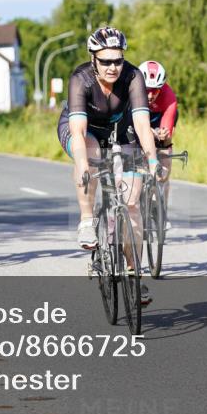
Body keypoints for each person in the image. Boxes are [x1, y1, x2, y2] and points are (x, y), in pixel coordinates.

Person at [56, 27, 159, 305]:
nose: (113, 67)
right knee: (89, 153)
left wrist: (151, 160)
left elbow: (141, 124)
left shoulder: (133, 76)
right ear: (93, 60)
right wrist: (82, 166)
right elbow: (77, 132)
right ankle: (88, 220)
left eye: (118, 60)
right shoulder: (81, 79)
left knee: (132, 202)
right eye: (106, 61)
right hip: (83, 128)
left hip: (120, 128)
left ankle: (133, 272)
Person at [138, 60, 178, 219]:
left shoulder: (169, 96)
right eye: (147, 90)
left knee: (164, 162)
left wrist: (162, 135)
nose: (150, 95)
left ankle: (162, 210)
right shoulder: (131, 92)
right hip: (140, 120)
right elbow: (135, 125)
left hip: (160, 118)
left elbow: (166, 129)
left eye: (155, 91)